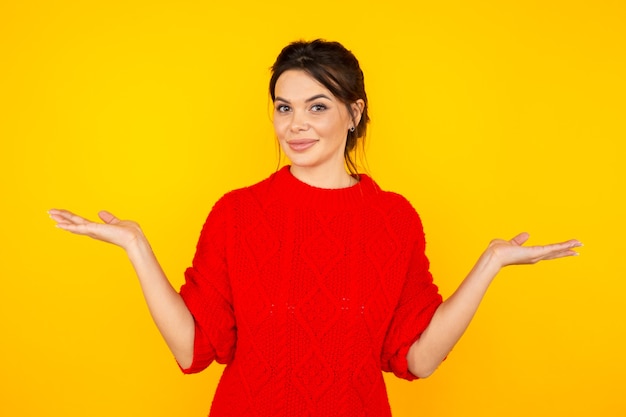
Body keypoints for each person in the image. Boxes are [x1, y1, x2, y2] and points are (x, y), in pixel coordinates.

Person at [48, 39, 582, 417]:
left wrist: (489, 264)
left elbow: (417, 358)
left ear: (354, 113)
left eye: (316, 106)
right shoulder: (237, 212)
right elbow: (193, 351)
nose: (295, 124)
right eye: (284, 108)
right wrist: (136, 247)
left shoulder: (395, 219)